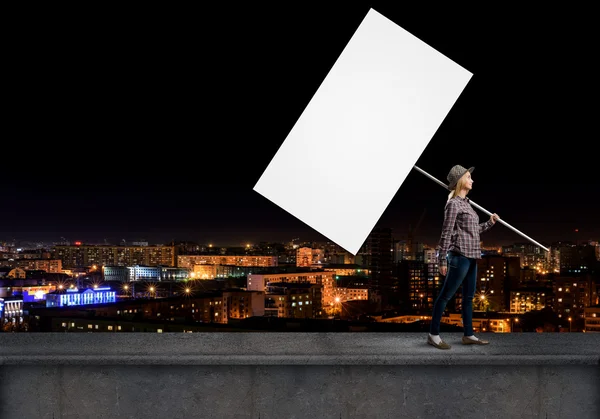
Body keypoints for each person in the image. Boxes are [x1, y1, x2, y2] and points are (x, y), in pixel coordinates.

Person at [427, 165, 500, 350]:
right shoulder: (453, 205)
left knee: (468, 298)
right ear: (460, 181)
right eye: (469, 177)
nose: (472, 180)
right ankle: (433, 335)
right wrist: (441, 259)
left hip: (473, 256)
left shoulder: (467, 204)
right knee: (445, 297)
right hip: (459, 257)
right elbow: (446, 233)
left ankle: (468, 334)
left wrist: (490, 223)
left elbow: (474, 231)